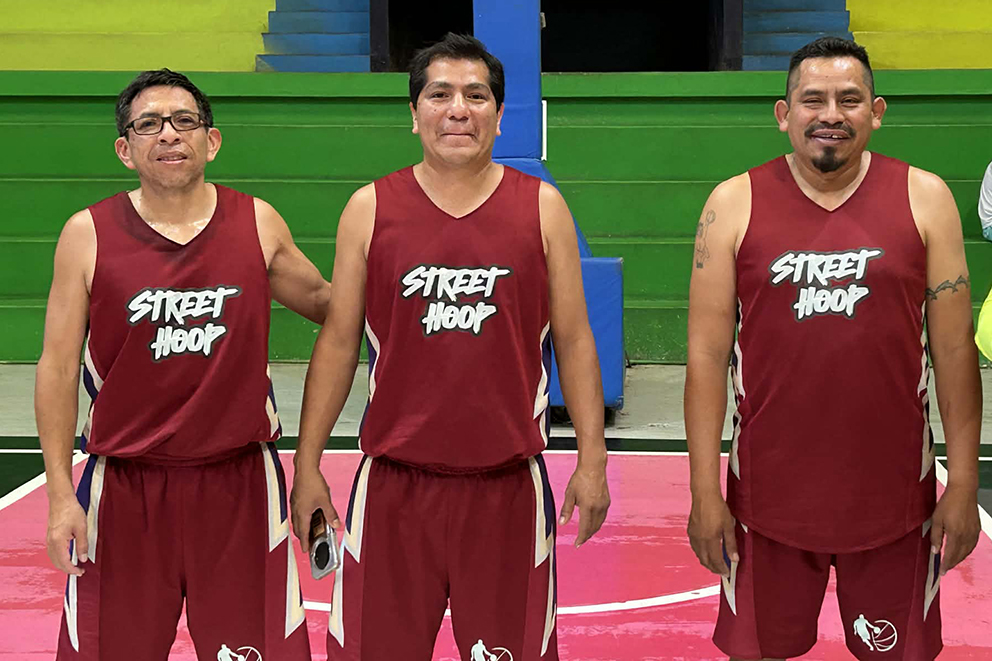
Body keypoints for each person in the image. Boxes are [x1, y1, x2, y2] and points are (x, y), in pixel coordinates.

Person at [290, 33, 611, 661]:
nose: (458, 109)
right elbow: (338, 344)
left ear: (499, 114)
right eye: (439, 95)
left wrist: (593, 460)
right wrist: (307, 468)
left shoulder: (542, 207)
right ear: (414, 115)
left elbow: (574, 340)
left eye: (476, 95)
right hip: (393, 487)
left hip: (507, 489)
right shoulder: (368, 209)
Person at [685, 37, 982, 661]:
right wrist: (704, 493)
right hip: (765, 500)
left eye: (849, 99)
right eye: (812, 99)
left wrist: (963, 484)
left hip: (896, 500)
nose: (830, 114)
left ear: (876, 111)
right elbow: (706, 359)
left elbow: (955, 352)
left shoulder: (925, 197)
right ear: (783, 113)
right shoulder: (732, 203)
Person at [36, 69, 329, 660]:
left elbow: (331, 307)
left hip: (241, 485)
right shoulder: (86, 234)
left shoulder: (257, 222)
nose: (168, 134)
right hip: (126, 489)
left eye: (184, 121)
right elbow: (58, 368)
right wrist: (61, 496)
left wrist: (415, 267)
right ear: (125, 150)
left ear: (211, 140)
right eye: (148, 124)